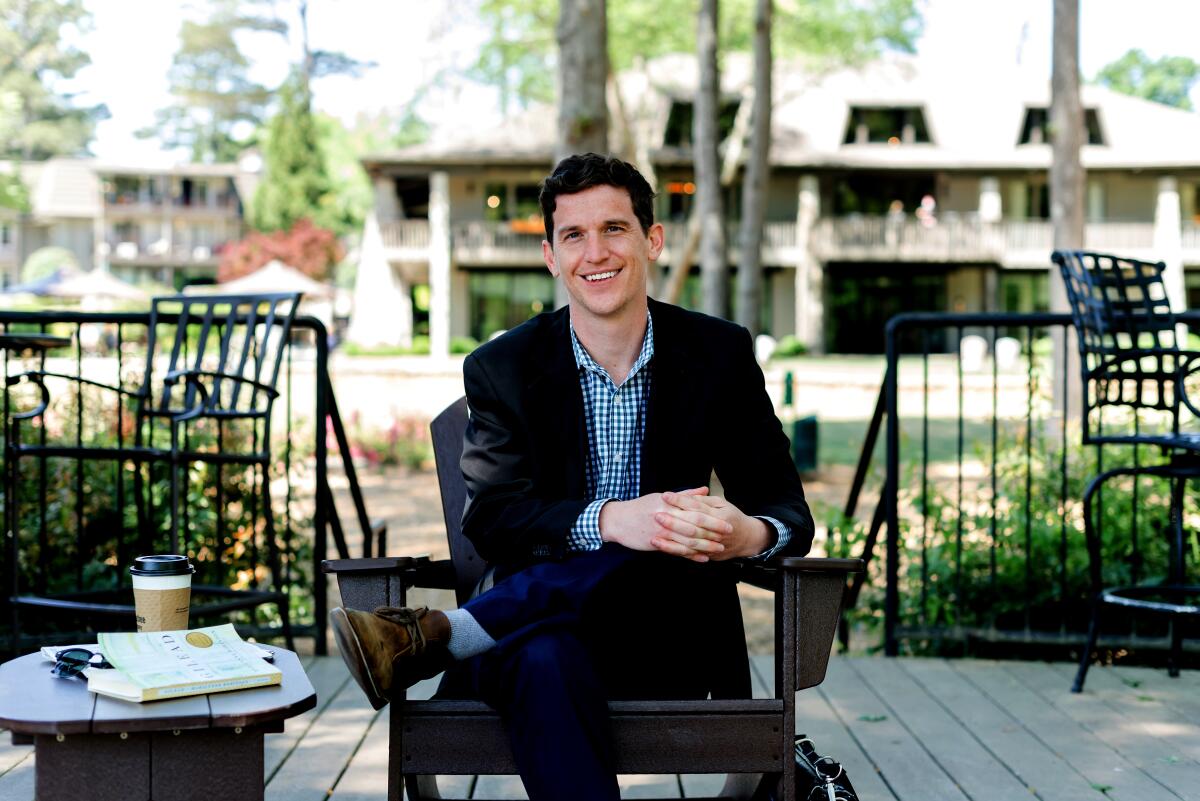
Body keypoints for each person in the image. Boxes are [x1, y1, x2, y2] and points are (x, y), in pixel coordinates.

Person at [329, 153, 814, 800]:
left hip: (667, 641)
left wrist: (744, 534)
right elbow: (493, 519)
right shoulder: (503, 368)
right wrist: (616, 519)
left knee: (662, 538)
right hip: (529, 640)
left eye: (614, 228)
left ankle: (441, 636)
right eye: (573, 235)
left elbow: (788, 511)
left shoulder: (718, 354)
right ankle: (465, 631)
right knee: (548, 650)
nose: (596, 252)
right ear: (552, 256)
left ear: (652, 239)